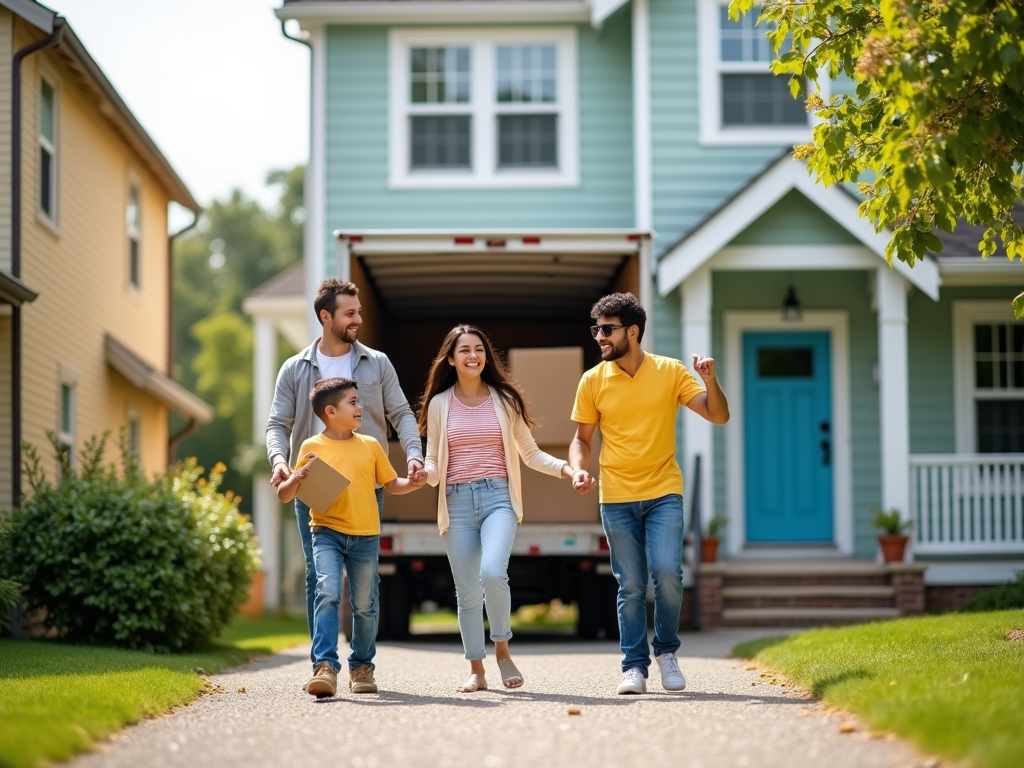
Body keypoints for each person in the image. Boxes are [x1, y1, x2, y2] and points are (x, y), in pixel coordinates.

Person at [568, 292, 729, 695]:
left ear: (633, 331)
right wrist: (578, 467)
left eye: (607, 329)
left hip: (663, 491)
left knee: (668, 574)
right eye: (596, 329)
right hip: (616, 495)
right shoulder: (592, 380)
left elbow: (717, 414)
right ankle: (634, 667)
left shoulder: (671, 372)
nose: (599, 337)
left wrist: (710, 380)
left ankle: (667, 652)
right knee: (632, 585)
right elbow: (581, 439)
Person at [266, 279, 424, 653]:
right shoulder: (294, 368)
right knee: (318, 578)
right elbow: (277, 424)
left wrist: (414, 455)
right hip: (313, 488)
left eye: (359, 312)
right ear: (326, 316)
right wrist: (279, 462)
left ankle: (362, 660)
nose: (358, 319)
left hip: (366, 487)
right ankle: (322, 660)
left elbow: (401, 413)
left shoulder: (377, 363)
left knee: (364, 582)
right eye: (349, 313)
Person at [420, 325, 579, 693]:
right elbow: (432, 466)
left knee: (492, 573)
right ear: (451, 359)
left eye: (479, 349)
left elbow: (531, 454)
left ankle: (503, 650)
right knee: (467, 592)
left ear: (486, 356)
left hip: (498, 499)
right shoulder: (440, 403)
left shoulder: (505, 400)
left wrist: (567, 470)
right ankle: (476, 669)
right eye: (464, 350)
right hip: (456, 502)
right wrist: (419, 475)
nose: (473, 355)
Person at [277, 378, 426, 698]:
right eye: (354, 402)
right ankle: (325, 667)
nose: (361, 407)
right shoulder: (310, 447)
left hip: (365, 536)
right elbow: (285, 495)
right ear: (330, 411)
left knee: (365, 605)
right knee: (327, 591)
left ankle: (361, 667)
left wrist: (413, 483)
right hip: (326, 532)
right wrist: (298, 477)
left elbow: (391, 484)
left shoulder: (370, 445)